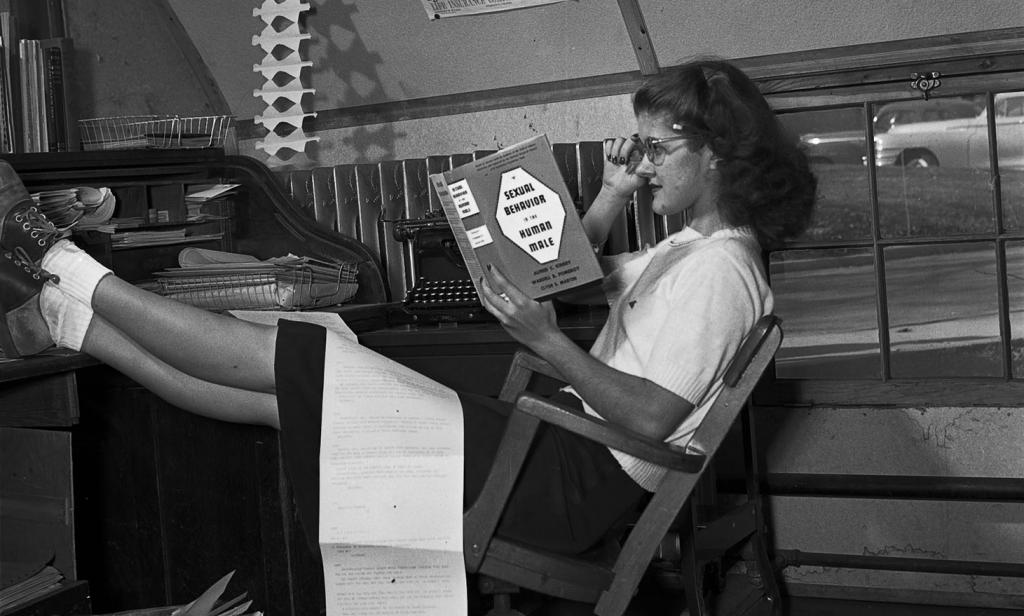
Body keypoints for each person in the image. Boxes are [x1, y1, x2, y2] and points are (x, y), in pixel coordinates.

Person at [0, 58, 815, 558]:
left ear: (717, 155)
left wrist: (546, 344)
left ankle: (54, 256)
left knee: (305, 357)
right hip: (559, 448)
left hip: (568, 478)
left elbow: (648, 416)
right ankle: (76, 320)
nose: (644, 160)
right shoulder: (689, 252)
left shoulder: (720, 271)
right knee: (295, 388)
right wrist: (608, 190)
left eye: (659, 148)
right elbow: (558, 275)